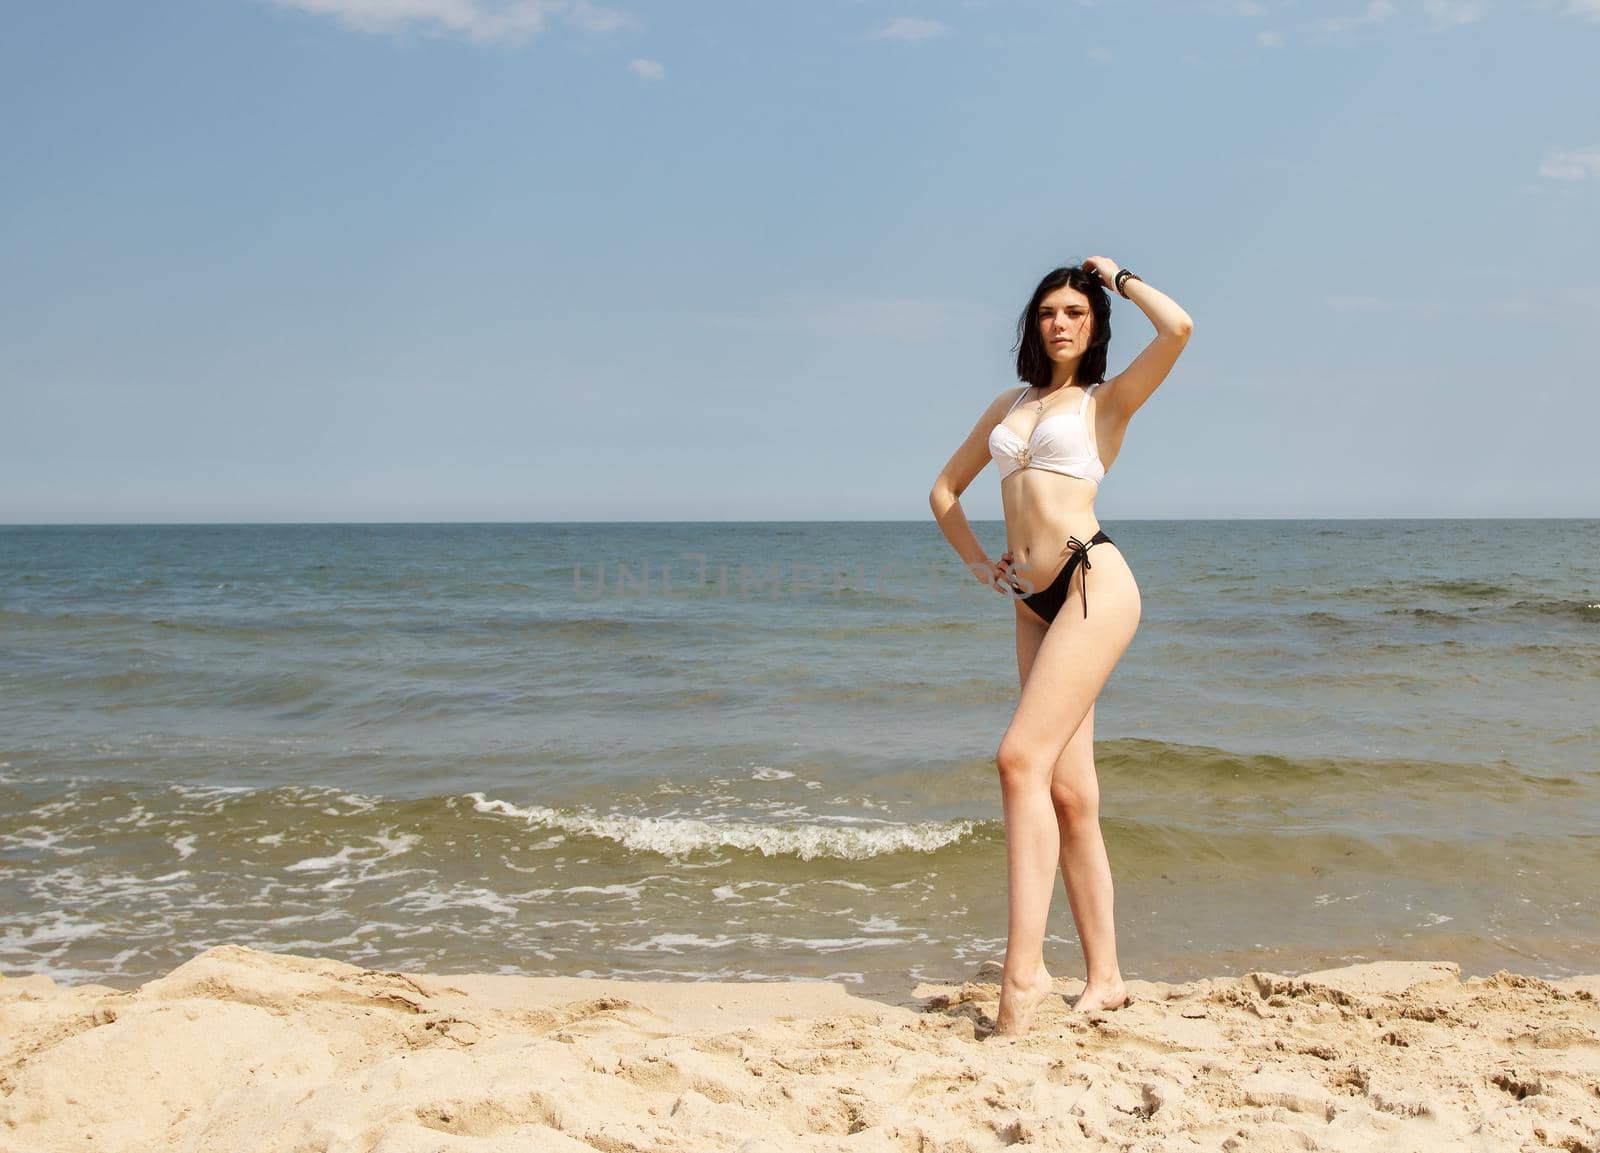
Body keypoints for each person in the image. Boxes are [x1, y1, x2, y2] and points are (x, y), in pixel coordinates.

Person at [927, 257, 1193, 1037]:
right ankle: (1106, 977)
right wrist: (980, 562)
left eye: (1076, 311)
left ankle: (1024, 972)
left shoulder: (1106, 404)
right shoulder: (1011, 404)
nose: (1061, 322)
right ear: (1033, 324)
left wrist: (1118, 276)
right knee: (1070, 794)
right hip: (1033, 605)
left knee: (1018, 760)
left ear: (1095, 325)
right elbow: (944, 490)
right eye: (1049, 311)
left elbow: (1179, 328)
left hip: (1091, 585)